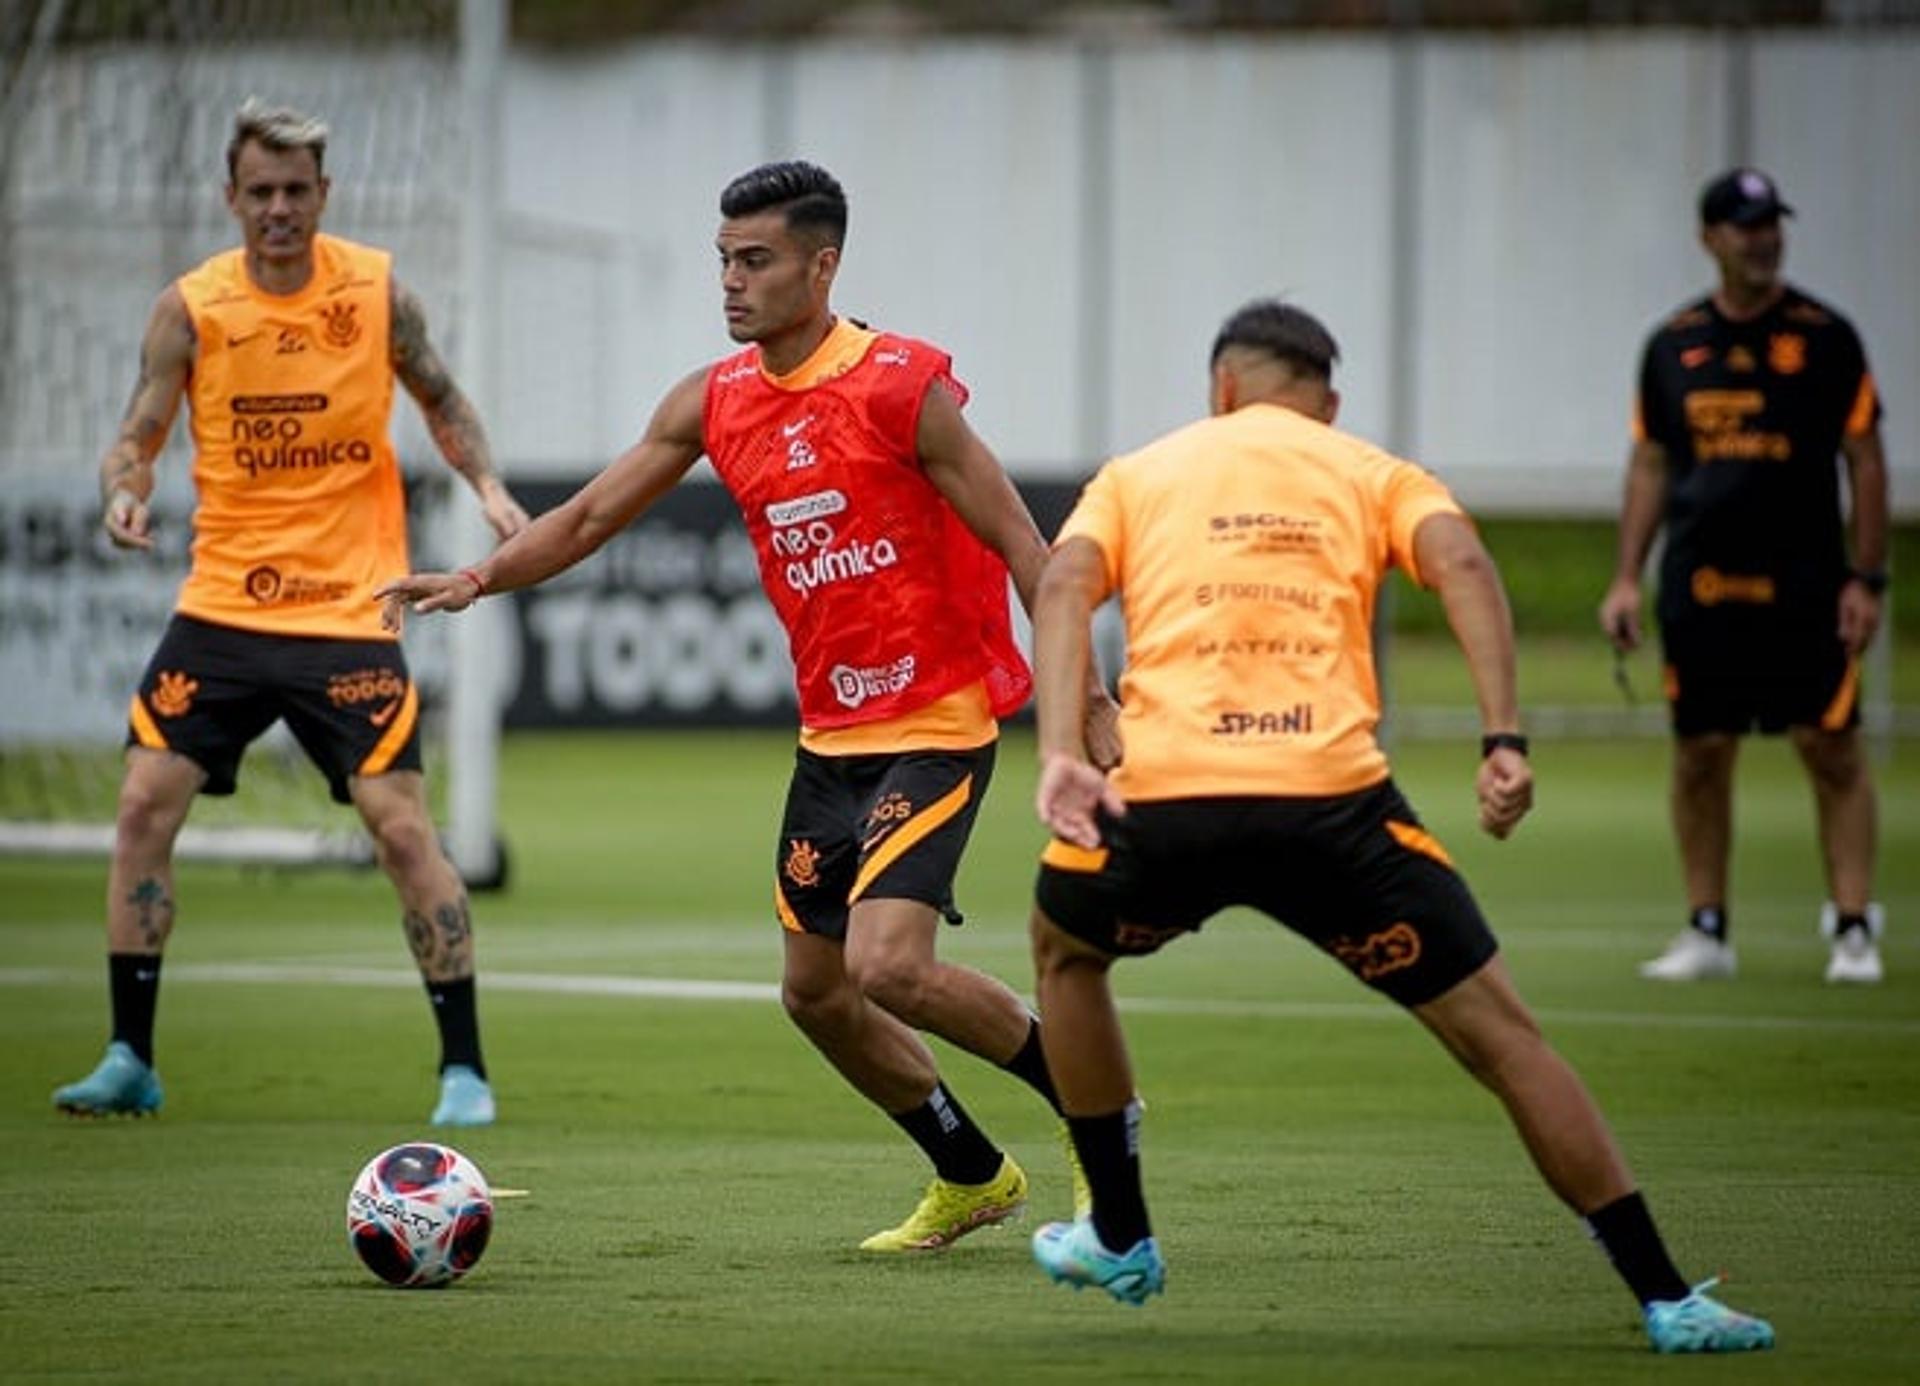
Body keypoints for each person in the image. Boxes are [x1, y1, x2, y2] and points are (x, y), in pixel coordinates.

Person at [379, 160, 1117, 1251]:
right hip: (830, 741)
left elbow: (1024, 543)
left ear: (823, 266)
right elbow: (584, 521)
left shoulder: (901, 388)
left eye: (757, 261)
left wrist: (1087, 696)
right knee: (816, 995)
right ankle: (971, 1173)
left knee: (889, 966)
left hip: (936, 724)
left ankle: (1103, 1118)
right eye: (724, 260)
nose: (731, 282)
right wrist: (480, 577)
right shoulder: (713, 400)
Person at [1022, 298, 1774, 1353]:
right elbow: (1465, 566)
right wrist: (1501, 738)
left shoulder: (1140, 473)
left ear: (1222, 388)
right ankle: (1665, 1295)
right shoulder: (1372, 471)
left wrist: (1063, 747)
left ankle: (1121, 1228)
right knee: (1507, 1043)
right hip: (1335, 811)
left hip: (1166, 802)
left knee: (1066, 948)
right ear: (1327, 402)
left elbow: (1062, 581)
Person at [51, 99, 528, 1126]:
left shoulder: (373, 289)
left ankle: (464, 1069)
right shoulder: (192, 306)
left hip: (351, 609)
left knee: (400, 829)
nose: (277, 209)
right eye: (259, 191)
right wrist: (122, 491)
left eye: (295, 191)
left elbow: (441, 399)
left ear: (324, 195)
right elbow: (135, 429)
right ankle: (130, 1057)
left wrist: (487, 490)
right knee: (139, 809)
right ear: (231, 197)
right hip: (221, 609)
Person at [1600, 167, 1890, 986]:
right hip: (1701, 583)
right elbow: (1651, 464)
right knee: (1700, 752)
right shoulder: (1672, 345)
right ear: (1710, 239)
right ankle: (1707, 928)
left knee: (1829, 744)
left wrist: (1867, 577)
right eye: (1745, 226)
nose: (1763, 239)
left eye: (1771, 225)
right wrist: (1627, 577)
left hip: (1805, 580)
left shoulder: (1826, 337)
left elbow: (1864, 461)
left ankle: (1855, 927)